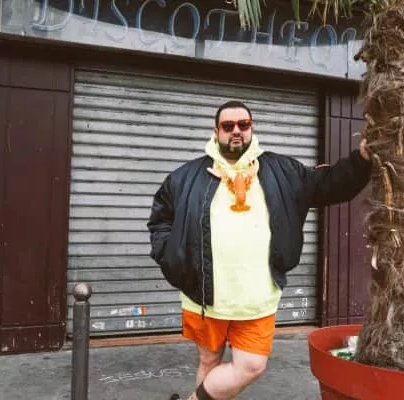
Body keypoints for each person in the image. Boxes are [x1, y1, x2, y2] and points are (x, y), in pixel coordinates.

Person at [147, 101, 371, 400]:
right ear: (216, 131)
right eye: (228, 126)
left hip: (257, 297)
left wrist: (362, 160)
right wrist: (172, 257)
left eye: (243, 125)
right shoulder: (185, 177)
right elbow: (160, 220)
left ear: (252, 128)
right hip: (203, 296)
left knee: (251, 366)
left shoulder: (282, 171)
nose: (236, 131)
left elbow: (328, 184)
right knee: (209, 361)